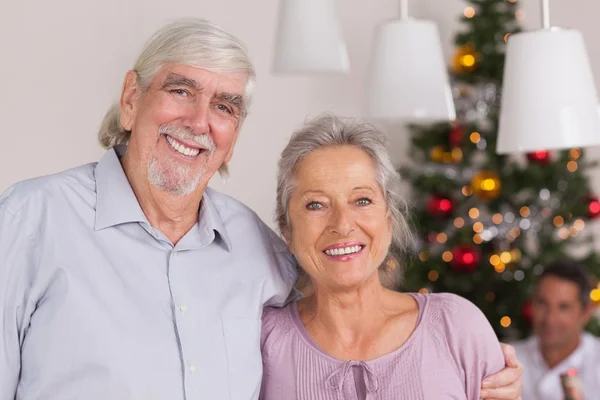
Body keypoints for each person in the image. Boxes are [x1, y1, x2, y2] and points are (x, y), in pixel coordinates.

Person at [0, 18, 521, 400]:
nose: (200, 121)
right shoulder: (30, 221)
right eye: (181, 90)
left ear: (234, 133)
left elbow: (344, 281)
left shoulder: (256, 248)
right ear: (132, 99)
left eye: (224, 106)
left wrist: (481, 367)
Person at [260, 114, 522, 399]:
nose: (343, 224)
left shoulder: (456, 327)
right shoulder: (263, 342)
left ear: (388, 220)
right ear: (287, 230)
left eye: (362, 200)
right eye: (316, 204)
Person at [512, 261, 600, 400]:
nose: (550, 319)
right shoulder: (509, 359)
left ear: (586, 312)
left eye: (564, 307)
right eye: (542, 303)